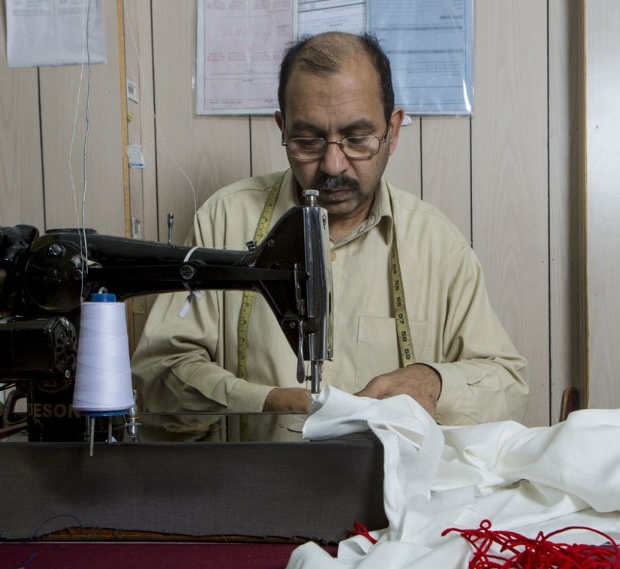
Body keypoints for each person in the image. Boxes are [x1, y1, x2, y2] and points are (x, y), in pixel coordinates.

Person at [131, 31, 528, 441]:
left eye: (357, 140)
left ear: (393, 130)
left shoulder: (437, 245)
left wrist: (435, 383)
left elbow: (509, 384)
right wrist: (262, 403)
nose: (333, 164)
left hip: (390, 481)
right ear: (282, 128)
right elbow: (159, 371)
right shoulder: (223, 221)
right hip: (259, 475)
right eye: (308, 141)